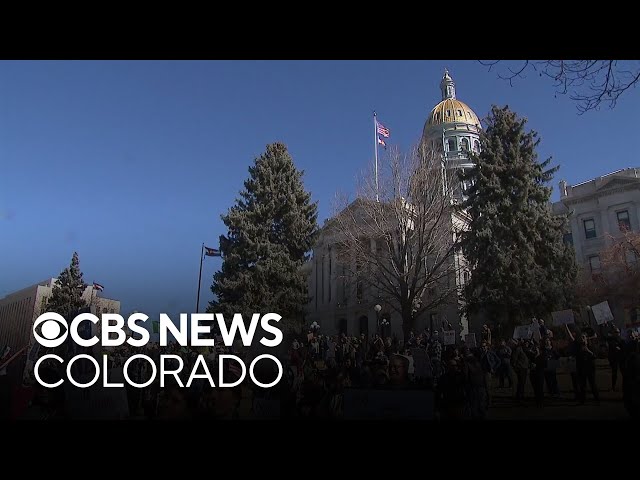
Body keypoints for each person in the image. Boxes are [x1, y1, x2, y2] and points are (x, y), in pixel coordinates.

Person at [606, 326, 625, 391]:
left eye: (618, 332)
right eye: (616, 332)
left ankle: (624, 386)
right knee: (614, 373)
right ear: (613, 333)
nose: (617, 333)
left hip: (620, 359)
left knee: (623, 373)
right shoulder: (610, 339)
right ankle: (613, 387)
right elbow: (613, 347)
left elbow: (623, 349)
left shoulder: (621, 340)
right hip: (614, 359)